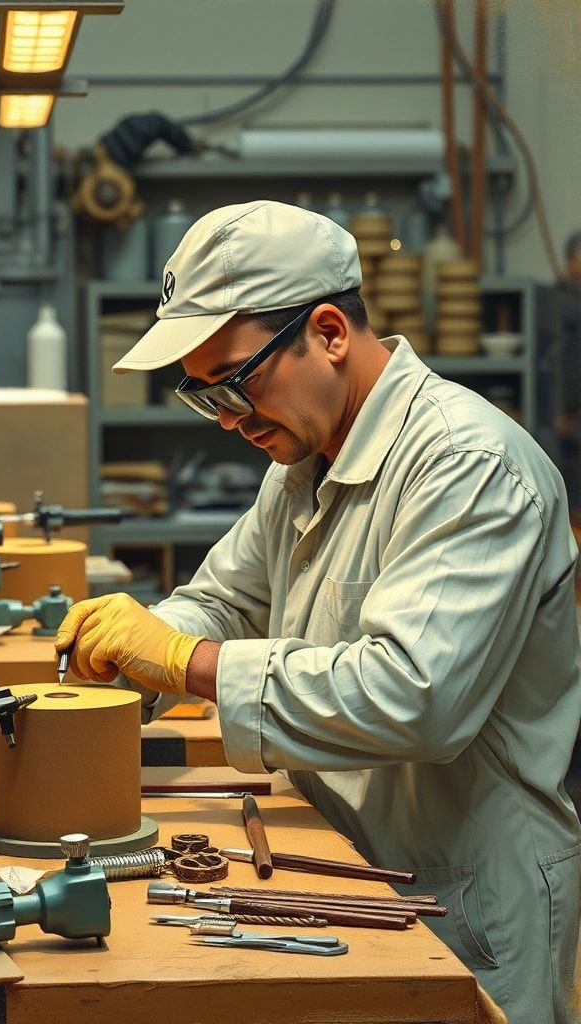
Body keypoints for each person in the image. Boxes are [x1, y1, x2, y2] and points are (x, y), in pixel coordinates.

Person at [55, 201, 581, 1022]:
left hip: (464, 892)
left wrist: (187, 662)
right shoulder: (303, 464)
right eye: (203, 395)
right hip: (339, 862)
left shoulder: (468, 465)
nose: (229, 420)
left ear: (329, 333)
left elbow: (415, 696)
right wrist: (130, 660)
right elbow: (227, 599)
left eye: (236, 383)